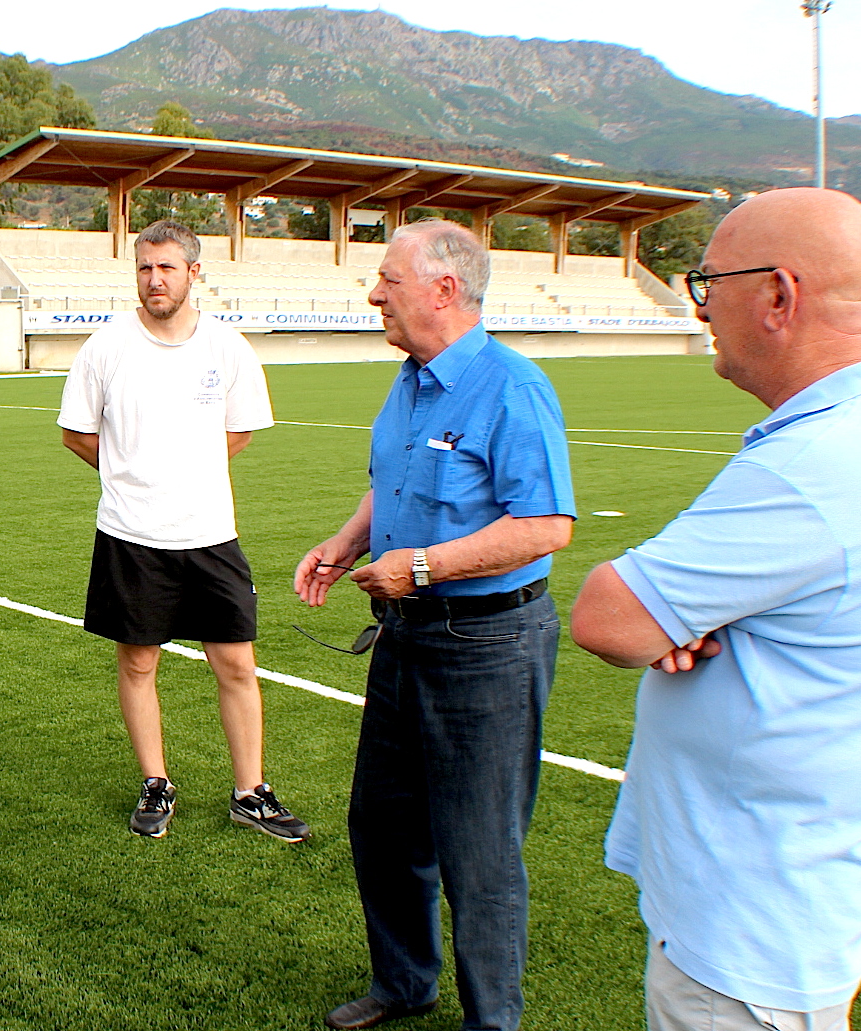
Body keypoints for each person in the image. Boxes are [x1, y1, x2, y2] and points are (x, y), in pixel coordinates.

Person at [570, 188, 861, 1031]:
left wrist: (680, 614)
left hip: (753, 916)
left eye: (707, 280)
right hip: (820, 876)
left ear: (777, 295)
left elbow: (609, 616)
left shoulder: (812, 464)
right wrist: (698, 610)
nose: (702, 304)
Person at [294, 219, 575, 1031]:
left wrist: (418, 567)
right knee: (380, 827)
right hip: (405, 638)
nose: (373, 294)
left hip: (485, 643)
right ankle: (405, 982)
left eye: (386, 279)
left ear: (443, 290)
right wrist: (346, 541)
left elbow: (545, 526)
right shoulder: (411, 380)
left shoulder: (513, 387)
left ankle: (492, 1021)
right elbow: (393, 481)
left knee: (480, 854)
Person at [57, 219, 303, 842]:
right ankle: (156, 781)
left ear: (194, 274)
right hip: (131, 533)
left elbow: (241, 429)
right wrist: (131, 475)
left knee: (236, 665)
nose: (154, 279)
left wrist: (187, 476)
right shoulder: (106, 346)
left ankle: (251, 792)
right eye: (144, 267)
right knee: (139, 663)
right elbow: (77, 433)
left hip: (210, 533)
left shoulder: (227, 348)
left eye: (166, 267)